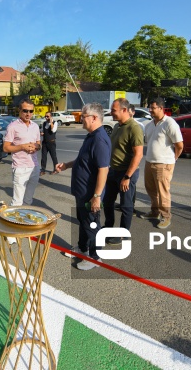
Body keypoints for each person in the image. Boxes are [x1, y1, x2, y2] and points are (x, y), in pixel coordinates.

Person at [55, 103, 111, 270]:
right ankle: (82, 248)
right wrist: (67, 165)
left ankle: (95, 257)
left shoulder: (100, 139)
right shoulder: (91, 136)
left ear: (94, 118)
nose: (80, 120)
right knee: (84, 222)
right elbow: (83, 161)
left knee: (92, 224)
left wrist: (96, 196)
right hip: (82, 191)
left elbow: (103, 169)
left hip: (90, 193)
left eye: (83, 116)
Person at [102, 98, 144, 245]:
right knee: (107, 202)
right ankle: (108, 228)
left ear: (124, 110)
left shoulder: (134, 128)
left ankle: (123, 234)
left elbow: (138, 154)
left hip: (126, 173)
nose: (111, 112)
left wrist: (127, 177)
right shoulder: (117, 126)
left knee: (126, 206)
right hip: (113, 171)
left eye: (114, 110)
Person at [142, 97, 184, 229]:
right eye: (150, 107)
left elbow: (179, 145)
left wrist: (173, 159)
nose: (150, 110)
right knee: (151, 190)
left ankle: (166, 217)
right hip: (149, 162)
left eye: (153, 108)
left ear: (161, 108)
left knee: (163, 192)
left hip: (164, 164)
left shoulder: (170, 124)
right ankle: (155, 212)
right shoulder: (149, 125)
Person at [3, 99, 41, 206]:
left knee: (28, 200)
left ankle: (24, 221)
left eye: (31, 111)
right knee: (17, 202)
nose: (28, 114)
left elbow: (39, 143)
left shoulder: (35, 126)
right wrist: (22, 147)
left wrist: (36, 146)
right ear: (19, 110)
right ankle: (14, 222)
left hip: (34, 166)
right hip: (20, 167)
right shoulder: (13, 126)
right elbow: (6, 148)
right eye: (25, 111)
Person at [40, 111, 59, 175]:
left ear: (51, 116)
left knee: (53, 157)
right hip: (45, 143)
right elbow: (43, 131)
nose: (46, 117)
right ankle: (43, 170)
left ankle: (56, 169)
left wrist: (51, 122)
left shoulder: (55, 123)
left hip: (51, 143)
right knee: (43, 157)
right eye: (45, 116)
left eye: (47, 116)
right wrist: (42, 133)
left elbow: (53, 130)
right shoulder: (44, 123)